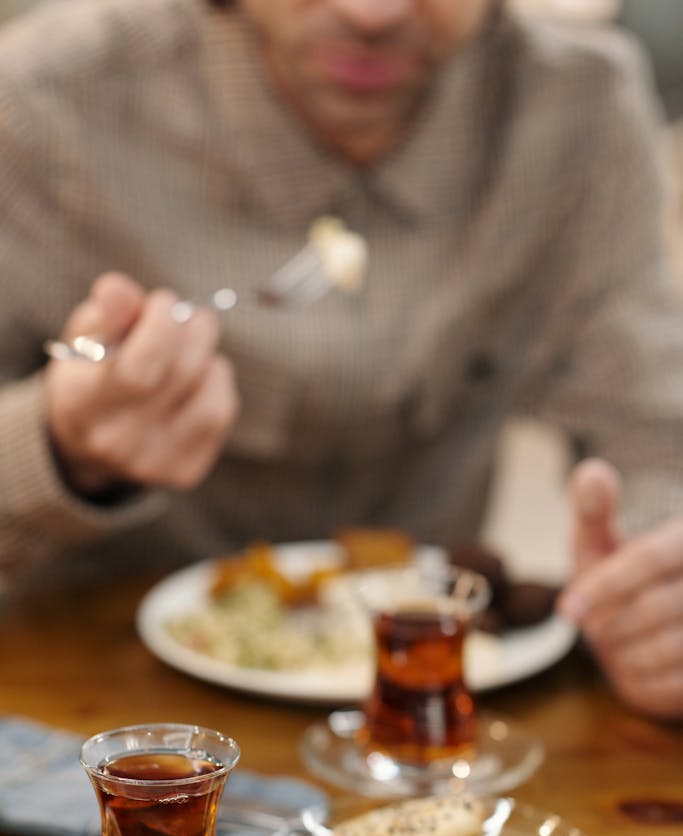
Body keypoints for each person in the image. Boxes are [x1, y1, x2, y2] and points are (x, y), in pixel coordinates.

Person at [0, 0, 681, 720]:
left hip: (435, 708)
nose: (371, 13)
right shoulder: (44, 95)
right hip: (83, 709)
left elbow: (653, 429)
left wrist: (655, 596)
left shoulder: (579, 105)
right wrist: (59, 446)